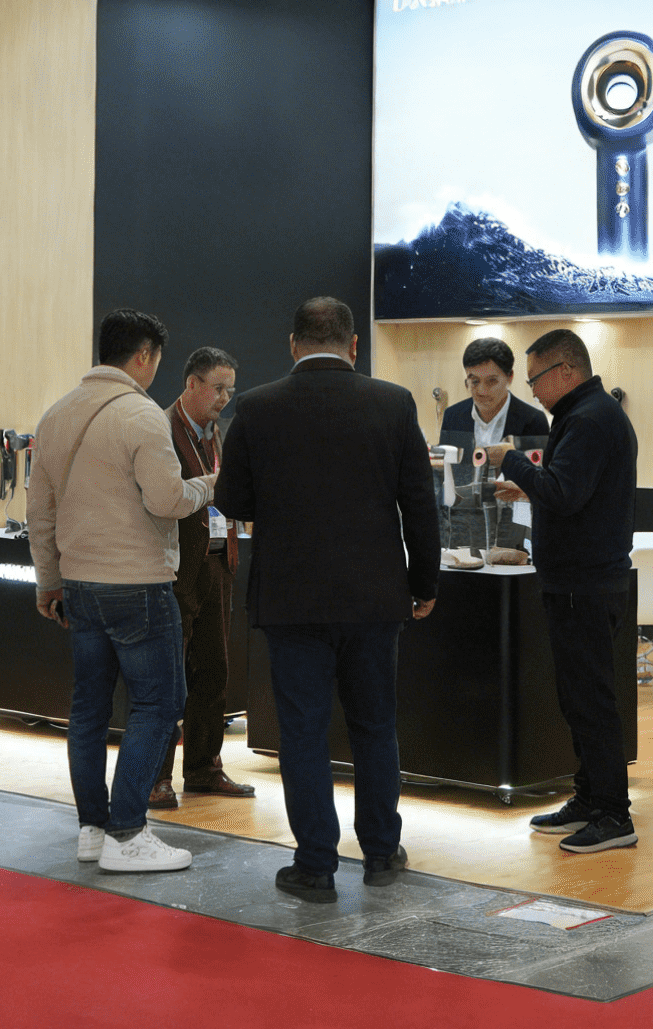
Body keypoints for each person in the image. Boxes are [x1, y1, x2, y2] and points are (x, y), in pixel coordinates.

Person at [214, 296, 440, 903]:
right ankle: (382, 852)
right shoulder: (394, 403)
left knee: (303, 732)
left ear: (293, 344)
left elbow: (232, 500)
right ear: (354, 345)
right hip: (374, 598)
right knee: (375, 726)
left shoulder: (256, 406)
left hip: (291, 599)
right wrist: (423, 584)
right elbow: (419, 506)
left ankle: (315, 866)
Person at [27, 308, 213, 874]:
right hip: (138, 586)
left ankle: (93, 829)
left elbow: (40, 513)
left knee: (88, 708)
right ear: (144, 356)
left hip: (80, 585)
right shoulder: (141, 414)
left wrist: (48, 581)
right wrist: (211, 484)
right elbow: (167, 500)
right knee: (160, 704)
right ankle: (128, 832)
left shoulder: (57, 414)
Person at [482, 328, 639, 854]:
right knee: (577, 699)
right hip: (579, 581)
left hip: (585, 584)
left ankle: (613, 813)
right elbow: (571, 492)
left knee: (591, 701)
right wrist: (527, 485)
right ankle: (589, 798)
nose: (532, 391)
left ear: (566, 371)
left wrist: (512, 461)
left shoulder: (590, 419)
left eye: (535, 379)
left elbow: (565, 494)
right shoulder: (585, 415)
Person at [150, 346, 255, 809]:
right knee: (168, 678)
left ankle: (203, 768)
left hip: (217, 563)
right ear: (191, 383)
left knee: (214, 670)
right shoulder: (159, 428)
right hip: (174, 569)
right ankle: (156, 777)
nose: (225, 398)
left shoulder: (217, 434)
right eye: (217, 388)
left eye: (230, 389)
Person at [438, 336, 550, 551]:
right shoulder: (453, 416)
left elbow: (539, 484)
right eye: (474, 381)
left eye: (491, 381)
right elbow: (449, 476)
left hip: (516, 529)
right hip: (463, 531)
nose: (481, 391)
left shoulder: (532, 420)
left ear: (509, 377)